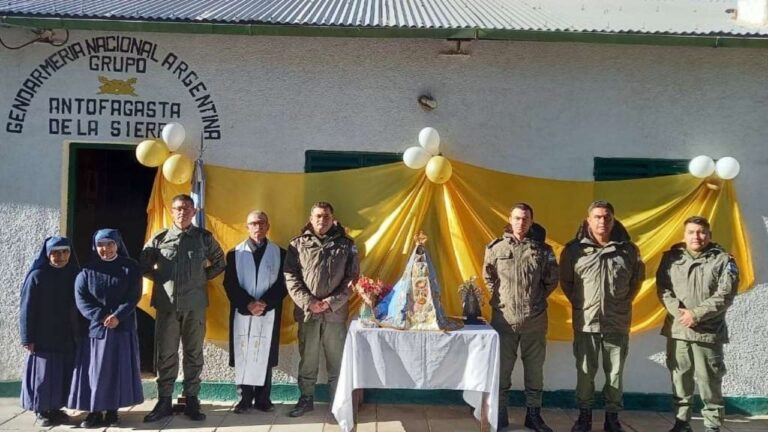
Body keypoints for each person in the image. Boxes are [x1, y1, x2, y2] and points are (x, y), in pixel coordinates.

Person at [560, 201, 645, 432]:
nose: (602, 221)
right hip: (586, 322)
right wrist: (581, 304)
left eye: (607, 217)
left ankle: (612, 417)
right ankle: (584, 416)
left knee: (615, 374)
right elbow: (567, 282)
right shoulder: (574, 250)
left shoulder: (628, 250)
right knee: (585, 372)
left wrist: (621, 304)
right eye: (597, 217)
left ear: (614, 219)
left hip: (616, 322)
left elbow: (636, 281)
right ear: (588, 220)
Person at [140, 194, 226, 422]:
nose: (182, 212)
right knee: (166, 354)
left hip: (195, 306)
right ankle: (164, 400)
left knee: (193, 354)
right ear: (171, 211)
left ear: (194, 212)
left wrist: (200, 279)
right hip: (166, 305)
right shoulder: (160, 238)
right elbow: (143, 265)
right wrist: (161, 279)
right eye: (178, 208)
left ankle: (192, 400)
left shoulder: (203, 238)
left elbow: (220, 262)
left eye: (187, 208)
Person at [656, 216, 738, 432]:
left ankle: (712, 426)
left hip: (707, 333)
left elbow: (725, 294)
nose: (697, 236)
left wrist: (696, 314)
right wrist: (680, 313)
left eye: (701, 232)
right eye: (691, 232)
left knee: (709, 383)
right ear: (684, 235)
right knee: (680, 380)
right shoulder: (671, 258)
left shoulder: (723, 260)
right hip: (678, 331)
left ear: (709, 235)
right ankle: (681, 423)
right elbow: (663, 289)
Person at [483, 203, 558, 432]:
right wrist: (503, 301)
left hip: (534, 320)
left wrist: (532, 302)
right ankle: (500, 414)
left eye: (525, 219)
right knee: (502, 371)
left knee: (534, 372)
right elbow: (488, 277)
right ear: (510, 219)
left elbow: (551, 280)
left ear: (531, 221)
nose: (521, 222)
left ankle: (533, 416)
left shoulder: (543, 250)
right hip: (504, 320)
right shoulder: (495, 248)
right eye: (517, 218)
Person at [284, 201, 359, 417]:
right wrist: (309, 302)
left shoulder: (346, 244)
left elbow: (352, 278)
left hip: (335, 314)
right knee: (308, 360)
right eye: (318, 216)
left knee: (337, 362)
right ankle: (306, 399)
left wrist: (330, 302)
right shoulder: (297, 244)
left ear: (332, 218)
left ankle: (338, 405)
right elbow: (291, 276)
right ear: (310, 217)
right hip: (308, 313)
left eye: (326, 216)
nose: (322, 220)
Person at [68, 229, 144, 428]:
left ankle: (112, 411)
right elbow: (81, 299)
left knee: (116, 371)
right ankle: (94, 411)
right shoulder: (86, 271)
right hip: (95, 330)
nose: (105, 249)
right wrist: (101, 317)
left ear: (117, 245)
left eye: (110, 244)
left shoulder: (130, 268)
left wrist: (118, 316)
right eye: (101, 245)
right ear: (95, 246)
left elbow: (133, 296)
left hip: (122, 327)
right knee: (95, 372)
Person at [223, 210, 287, 414]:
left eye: (261, 223)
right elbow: (230, 283)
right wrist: (248, 303)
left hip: (268, 311)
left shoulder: (280, 253)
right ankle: (243, 398)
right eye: (253, 223)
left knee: (264, 351)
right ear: (247, 226)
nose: (257, 227)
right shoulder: (235, 253)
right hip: (243, 311)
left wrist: (265, 303)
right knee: (244, 351)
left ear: (268, 226)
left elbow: (283, 284)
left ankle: (263, 398)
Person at [19, 236, 80, 427]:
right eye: (55, 252)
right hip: (42, 335)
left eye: (65, 252)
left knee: (62, 372)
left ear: (70, 253)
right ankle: (41, 410)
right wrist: (27, 337)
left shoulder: (74, 273)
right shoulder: (37, 275)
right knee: (43, 375)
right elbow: (26, 309)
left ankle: (56, 409)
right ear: (47, 254)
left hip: (66, 333)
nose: (60, 256)